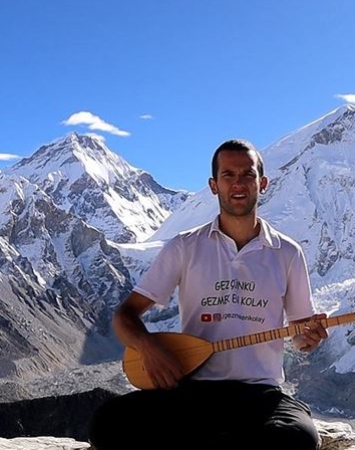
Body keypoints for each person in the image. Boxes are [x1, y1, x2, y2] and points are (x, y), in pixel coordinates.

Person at [89, 139, 328, 450]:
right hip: (193, 392)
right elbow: (125, 316)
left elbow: (299, 336)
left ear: (263, 183)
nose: (238, 183)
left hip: (261, 394)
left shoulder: (287, 253)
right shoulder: (185, 246)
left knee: (297, 438)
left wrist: (308, 338)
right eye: (228, 175)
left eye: (247, 174)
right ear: (214, 186)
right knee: (108, 423)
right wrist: (147, 346)